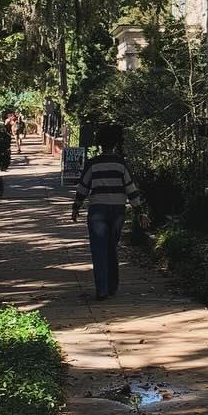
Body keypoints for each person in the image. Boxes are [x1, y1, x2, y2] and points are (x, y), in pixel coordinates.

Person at [70, 121, 141, 299]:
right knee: (112, 247)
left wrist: (76, 207)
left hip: (97, 211)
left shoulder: (93, 164)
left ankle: (102, 288)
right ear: (115, 143)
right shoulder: (121, 164)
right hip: (118, 210)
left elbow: (83, 187)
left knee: (99, 249)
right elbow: (131, 188)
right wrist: (139, 210)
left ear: (100, 143)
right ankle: (113, 285)